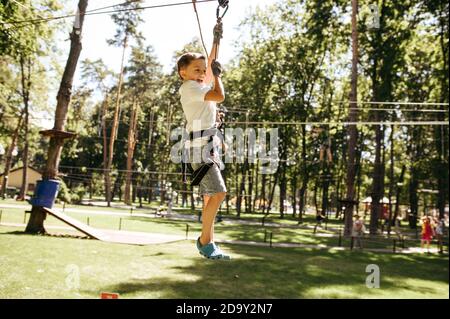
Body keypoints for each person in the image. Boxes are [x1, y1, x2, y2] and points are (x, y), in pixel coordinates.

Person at [177, 21, 230, 260]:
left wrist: (216, 38)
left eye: (202, 70)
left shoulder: (197, 88)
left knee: (211, 196)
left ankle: (210, 243)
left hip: (206, 148)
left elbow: (210, 63)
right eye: (196, 70)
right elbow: (219, 94)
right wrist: (217, 75)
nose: (201, 74)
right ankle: (204, 242)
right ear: (183, 73)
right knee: (219, 194)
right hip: (200, 151)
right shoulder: (191, 88)